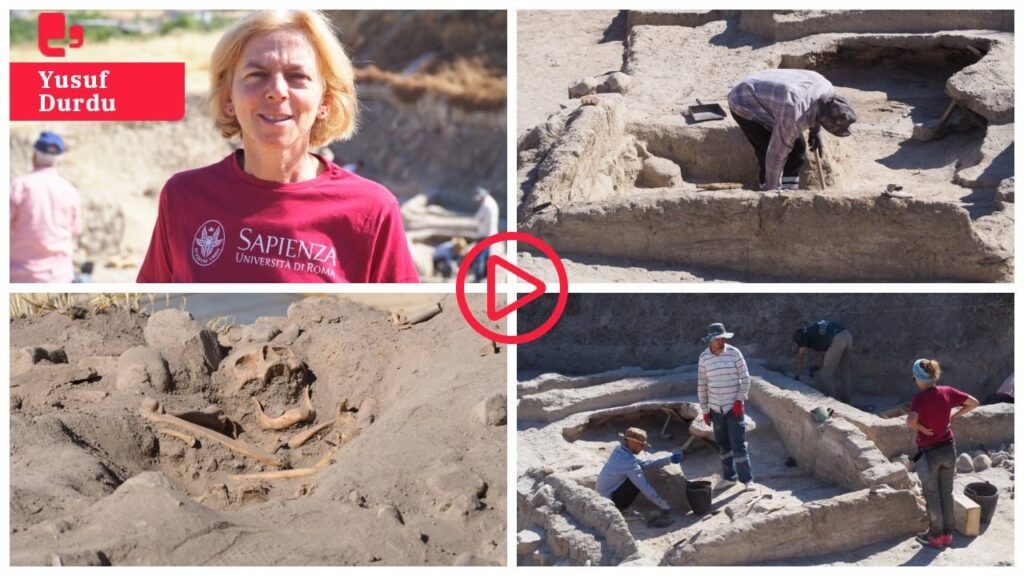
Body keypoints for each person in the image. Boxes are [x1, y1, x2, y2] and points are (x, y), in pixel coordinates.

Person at [137, 10, 418, 283]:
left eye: (298, 76)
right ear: (228, 98)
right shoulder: (184, 198)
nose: (277, 90)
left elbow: (400, 321)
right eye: (257, 74)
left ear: (325, 102)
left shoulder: (372, 211)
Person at [728, 69, 857, 191]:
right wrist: (772, 195)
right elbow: (775, 157)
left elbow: (819, 107)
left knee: (798, 149)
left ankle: (788, 192)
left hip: (772, 94)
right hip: (744, 101)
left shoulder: (827, 89)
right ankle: (766, 192)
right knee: (766, 152)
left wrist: (815, 131)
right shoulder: (795, 114)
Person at [906, 359, 979, 549]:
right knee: (946, 492)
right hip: (949, 449)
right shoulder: (947, 391)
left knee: (931, 494)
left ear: (918, 379)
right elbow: (974, 402)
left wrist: (922, 427)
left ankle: (935, 536)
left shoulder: (919, 398)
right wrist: (954, 416)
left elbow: (910, 422)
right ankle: (948, 535)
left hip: (930, 452)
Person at [10, 131, 82, 283]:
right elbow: (75, 231)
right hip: (60, 276)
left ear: (34, 156)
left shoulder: (19, 186)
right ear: (59, 160)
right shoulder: (70, 191)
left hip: (19, 275)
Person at [698, 322, 755, 492]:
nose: (722, 341)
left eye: (723, 338)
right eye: (719, 339)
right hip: (716, 408)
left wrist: (739, 400)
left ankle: (747, 480)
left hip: (733, 407)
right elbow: (702, 384)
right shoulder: (704, 358)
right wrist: (705, 410)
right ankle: (729, 478)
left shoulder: (734, 353)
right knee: (723, 445)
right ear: (711, 339)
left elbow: (745, 378)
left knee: (738, 445)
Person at [595, 427, 680, 528]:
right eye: (642, 445)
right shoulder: (628, 462)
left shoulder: (620, 450)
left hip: (602, 494)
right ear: (632, 443)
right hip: (608, 502)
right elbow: (644, 487)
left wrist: (668, 459)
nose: (643, 448)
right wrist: (664, 506)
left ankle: (621, 507)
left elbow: (643, 464)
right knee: (636, 482)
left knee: (634, 476)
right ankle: (619, 510)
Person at [793, 320, 854, 402]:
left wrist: (797, 376)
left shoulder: (802, 335)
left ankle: (834, 400)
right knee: (845, 370)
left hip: (837, 339)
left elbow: (800, 357)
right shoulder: (815, 329)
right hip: (847, 335)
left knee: (826, 373)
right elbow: (826, 353)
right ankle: (848, 400)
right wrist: (818, 365)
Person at [471, 186, 499, 281]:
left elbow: (477, 218)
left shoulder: (486, 205)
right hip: (489, 234)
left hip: (485, 235)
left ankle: (479, 276)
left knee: (480, 257)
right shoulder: (491, 202)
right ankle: (486, 275)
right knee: (486, 256)